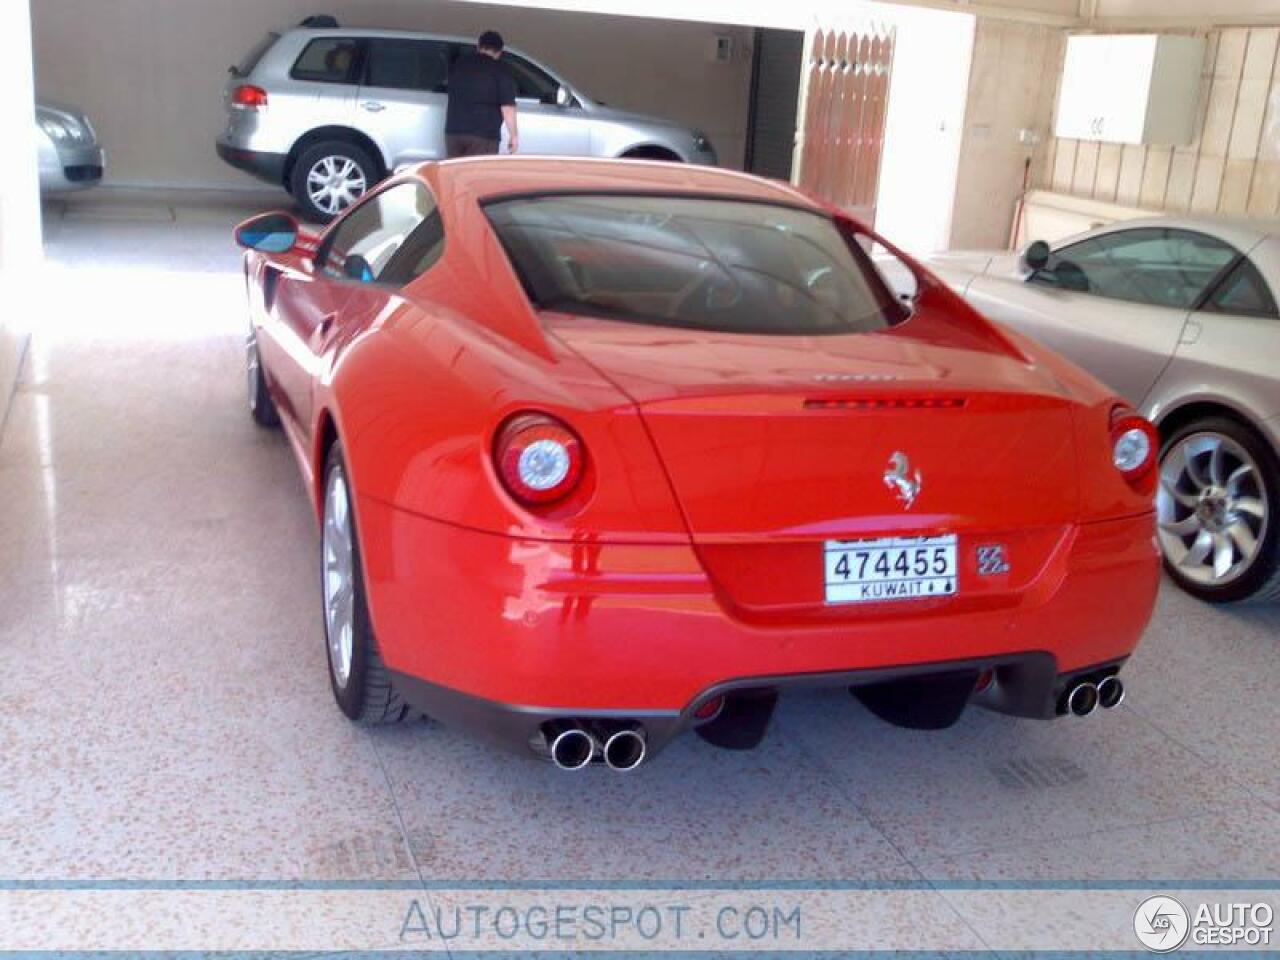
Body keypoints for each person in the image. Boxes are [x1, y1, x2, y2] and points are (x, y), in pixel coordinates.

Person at [445, 31, 519, 158]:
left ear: (478, 47)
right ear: (500, 52)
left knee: (455, 175)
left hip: (453, 133)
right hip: (483, 136)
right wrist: (514, 136)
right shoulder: (500, 71)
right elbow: (507, 108)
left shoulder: (459, 65)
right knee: (478, 176)